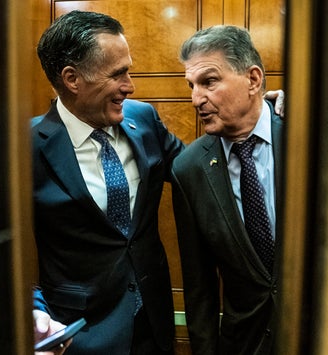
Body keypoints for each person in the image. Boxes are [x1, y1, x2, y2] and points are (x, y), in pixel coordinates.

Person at [30, 10, 183, 355]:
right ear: (72, 79)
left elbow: (198, 170)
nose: (130, 86)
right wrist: (33, 309)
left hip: (154, 328)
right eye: (118, 74)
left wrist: (254, 113)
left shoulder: (143, 121)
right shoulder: (27, 147)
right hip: (79, 335)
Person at [170, 25, 284, 354]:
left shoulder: (305, 136)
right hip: (242, 344)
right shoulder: (188, 169)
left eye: (209, 81)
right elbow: (199, 287)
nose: (195, 98)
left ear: (253, 79)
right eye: (192, 86)